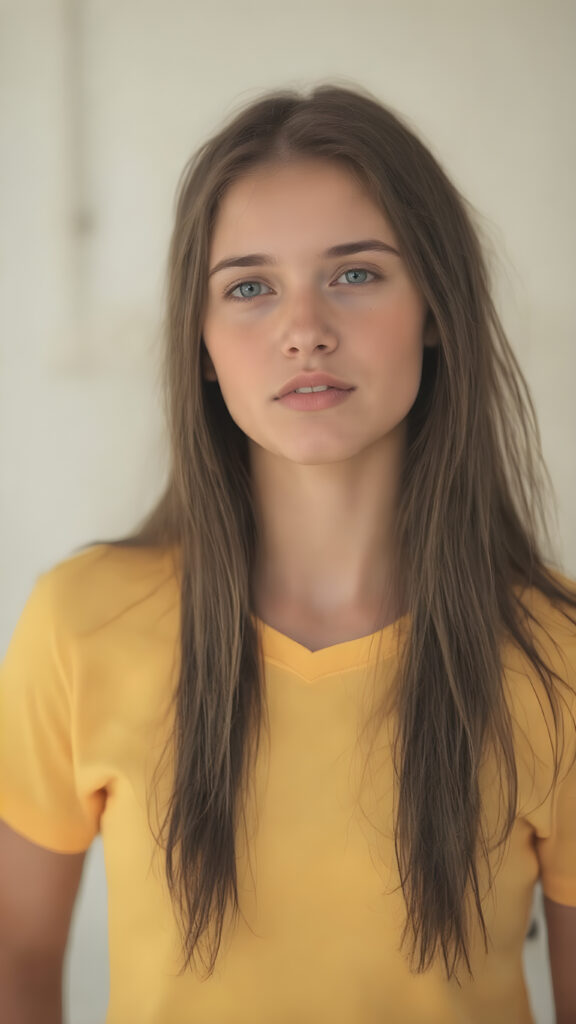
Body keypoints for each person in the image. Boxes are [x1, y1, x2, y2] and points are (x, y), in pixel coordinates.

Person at [1, 82, 575, 1024]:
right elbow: (16, 958)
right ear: (202, 339)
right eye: (250, 287)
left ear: (436, 305)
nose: (303, 328)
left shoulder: (559, 654)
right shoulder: (80, 625)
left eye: (355, 273)